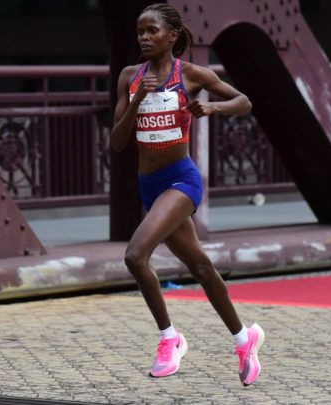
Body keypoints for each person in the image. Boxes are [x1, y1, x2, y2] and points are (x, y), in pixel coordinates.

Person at [111, 4, 265, 386]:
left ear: (172, 35)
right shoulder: (130, 77)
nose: (144, 38)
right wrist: (137, 101)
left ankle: (170, 339)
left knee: (135, 256)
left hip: (181, 180)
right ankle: (244, 339)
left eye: (152, 31)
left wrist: (212, 107)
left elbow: (244, 101)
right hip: (150, 186)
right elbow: (117, 142)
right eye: (140, 32)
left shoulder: (191, 75)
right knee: (201, 267)